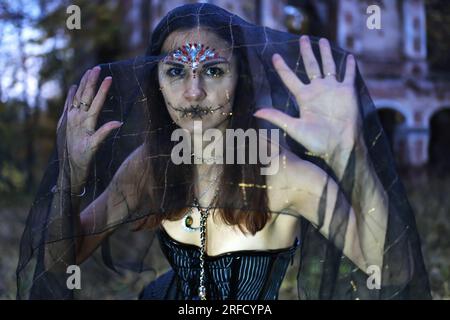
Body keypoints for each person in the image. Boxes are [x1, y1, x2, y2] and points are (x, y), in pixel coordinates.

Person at [17, 3, 431, 300]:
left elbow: (391, 272)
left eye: (213, 70)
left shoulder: (283, 174)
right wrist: (69, 177)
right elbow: (59, 261)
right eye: (175, 71)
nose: (193, 92)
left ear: (241, 81)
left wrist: (350, 155)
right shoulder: (149, 165)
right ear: (156, 83)